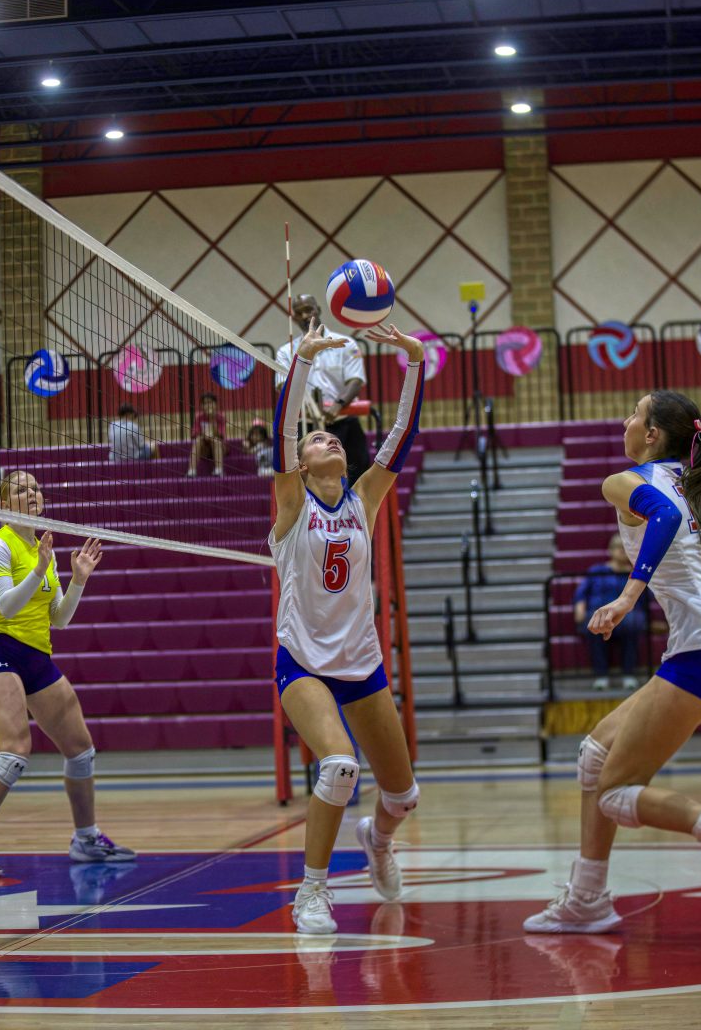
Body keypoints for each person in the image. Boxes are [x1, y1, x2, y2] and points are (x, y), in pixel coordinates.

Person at [524, 390, 701, 935]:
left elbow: (662, 514)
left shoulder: (627, 481)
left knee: (615, 793)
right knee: (595, 756)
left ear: (653, 435)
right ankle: (587, 897)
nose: (625, 419)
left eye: (635, 413)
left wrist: (627, 596)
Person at [271, 317, 424, 935]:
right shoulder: (292, 503)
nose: (327, 440)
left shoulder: (363, 498)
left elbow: (402, 436)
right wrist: (302, 362)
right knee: (338, 766)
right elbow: (284, 433)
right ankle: (311, 892)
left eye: (332, 437)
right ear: (302, 464)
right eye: (316, 440)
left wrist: (414, 362)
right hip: (303, 661)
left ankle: (378, 841)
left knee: (403, 796)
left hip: (362, 661)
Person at [0, 469, 135, 879]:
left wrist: (78, 580)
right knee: (15, 750)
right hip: (0, 650)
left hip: (37, 656)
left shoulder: (42, 548)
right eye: (20, 489)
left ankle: (86, 838)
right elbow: (8, 607)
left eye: (34, 487)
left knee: (81, 750)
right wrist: (38, 570)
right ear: (4, 503)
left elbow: (59, 619)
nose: (31, 493)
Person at [276, 294, 370, 487]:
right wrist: (306, 407)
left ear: (318, 310)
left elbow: (356, 380)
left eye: (308, 310)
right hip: (306, 427)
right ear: (294, 318)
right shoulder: (286, 352)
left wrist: (337, 405)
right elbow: (281, 385)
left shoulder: (345, 343)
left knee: (358, 479)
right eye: (299, 312)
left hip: (344, 422)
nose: (304, 316)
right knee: (308, 484)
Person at [574, 533, 650, 691]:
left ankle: (629, 674)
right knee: (595, 625)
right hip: (598, 615)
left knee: (632, 625)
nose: (621, 550)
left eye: (624, 547)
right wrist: (579, 609)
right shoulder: (597, 570)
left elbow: (646, 599)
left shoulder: (637, 574)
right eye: (617, 547)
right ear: (610, 550)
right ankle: (601, 676)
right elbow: (581, 594)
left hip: (628, 619)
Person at [188, 392, 226, 477]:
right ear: (201, 406)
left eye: (210, 402)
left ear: (216, 404)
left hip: (219, 448)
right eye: (205, 403)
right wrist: (204, 435)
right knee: (198, 441)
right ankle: (191, 470)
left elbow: (221, 435)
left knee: (216, 441)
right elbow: (194, 434)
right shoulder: (199, 417)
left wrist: (212, 419)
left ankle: (219, 470)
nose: (208, 405)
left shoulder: (220, 417)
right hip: (204, 449)